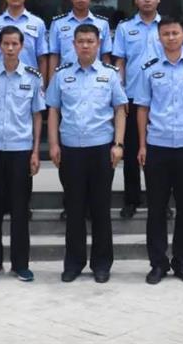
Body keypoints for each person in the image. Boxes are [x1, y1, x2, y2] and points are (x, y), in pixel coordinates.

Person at [46, 24, 127, 283]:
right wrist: (54, 144)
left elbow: (120, 109)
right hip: (71, 150)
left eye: (90, 41)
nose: (85, 45)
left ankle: (101, 264)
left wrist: (118, 144)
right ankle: (74, 263)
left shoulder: (110, 74)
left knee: (101, 208)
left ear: (98, 44)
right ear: (74, 44)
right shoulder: (62, 75)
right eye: (80, 41)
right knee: (74, 209)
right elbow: (53, 110)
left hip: (101, 149)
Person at [134, 17, 183, 285]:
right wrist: (142, 144)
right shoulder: (150, 69)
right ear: (159, 37)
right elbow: (142, 107)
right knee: (156, 209)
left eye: (175, 33)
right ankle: (158, 263)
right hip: (157, 145)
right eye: (165, 33)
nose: (171, 37)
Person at [0, 26, 46, 283]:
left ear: (22, 46)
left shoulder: (33, 77)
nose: (10, 48)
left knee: (20, 210)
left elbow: (37, 116)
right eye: (6, 44)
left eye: (15, 44)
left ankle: (20, 264)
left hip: (20, 150)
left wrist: (35, 151)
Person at [110, 0, 162, 219]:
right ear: (136, 0)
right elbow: (119, 62)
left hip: (160, 97)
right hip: (131, 96)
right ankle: (131, 199)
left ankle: (159, 200)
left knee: (158, 153)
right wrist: (120, 94)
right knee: (131, 152)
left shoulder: (167, 26)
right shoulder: (125, 28)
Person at [48, 0, 112, 77]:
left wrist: (106, 80)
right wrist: (52, 83)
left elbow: (105, 56)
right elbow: (54, 56)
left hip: (95, 79)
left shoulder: (102, 24)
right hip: (66, 79)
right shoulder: (58, 23)